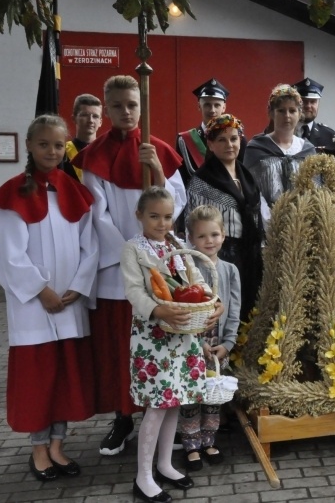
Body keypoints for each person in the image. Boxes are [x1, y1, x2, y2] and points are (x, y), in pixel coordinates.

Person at [72, 75, 220, 457]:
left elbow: (176, 202)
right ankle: (123, 419)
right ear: (107, 109)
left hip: (159, 264)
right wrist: (132, 254)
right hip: (118, 266)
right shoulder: (95, 157)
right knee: (121, 348)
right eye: (117, 105)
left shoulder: (158, 149)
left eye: (132, 105)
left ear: (142, 107)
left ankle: (159, 417)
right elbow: (97, 214)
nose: (125, 112)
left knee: (160, 344)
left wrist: (156, 169)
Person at [0, 115, 98, 481]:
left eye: (57, 144)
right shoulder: (14, 194)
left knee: (64, 378)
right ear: (30, 146)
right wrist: (41, 290)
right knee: (40, 380)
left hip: (69, 303)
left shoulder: (73, 189)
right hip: (34, 309)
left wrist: (79, 286)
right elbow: (8, 254)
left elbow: (90, 247)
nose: (51, 151)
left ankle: (57, 446)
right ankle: (38, 450)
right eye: (43, 144)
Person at [121, 186, 213, 501]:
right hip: (154, 336)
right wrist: (158, 309)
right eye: (154, 216)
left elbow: (196, 278)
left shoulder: (177, 243)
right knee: (157, 406)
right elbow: (134, 290)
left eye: (168, 216)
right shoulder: (134, 249)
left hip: (183, 334)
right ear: (140, 216)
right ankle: (143, 476)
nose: (162, 223)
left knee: (176, 400)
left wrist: (211, 300)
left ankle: (164, 464)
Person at [178, 205, 240, 472]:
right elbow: (183, 309)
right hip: (193, 346)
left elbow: (234, 309)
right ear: (191, 239)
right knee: (191, 398)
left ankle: (209, 441)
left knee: (213, 397)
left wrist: (228, 344)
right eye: (202, 236)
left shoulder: (230, 270)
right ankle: (191, 445)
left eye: (214, 234)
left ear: (224, 235)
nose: (209, 241)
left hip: (218, 349)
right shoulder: (186, 270)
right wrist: (197, 343)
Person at [186, 114, 263, 319]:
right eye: (221, 140)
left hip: (251, 256)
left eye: (234, 138)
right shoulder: (202, 181)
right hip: (221, 256)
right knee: (225, 310)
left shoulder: (247, 176)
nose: (229, 144)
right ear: (210, 144)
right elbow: (193, 225)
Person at [244, 84, 317, 227]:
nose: (287, 116)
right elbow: (250, 189)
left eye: (292, 110)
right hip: (265, 224)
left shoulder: (308, 150)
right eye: (281, 111)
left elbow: (315, 190)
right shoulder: (256, 148)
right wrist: (270, 219)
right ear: (271, 113)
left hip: (301, 224)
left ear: (299, 113)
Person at [176, 78, 245, 187]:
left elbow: (242, 175)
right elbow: (182, 179)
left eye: (217, 105)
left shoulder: (238, 139)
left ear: (224, 107)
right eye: (207, 105)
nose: (212, 110)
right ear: (199, 106)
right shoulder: (185, 140)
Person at [64, 94, 103, 182]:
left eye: (95, 116)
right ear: (74, 119)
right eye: (85, 115)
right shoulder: (63, 153)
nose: (90, 120)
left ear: (100, 122)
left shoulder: (107, 153)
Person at [293, 77, 335, 149]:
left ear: (318, 104)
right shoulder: (283, 133)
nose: (308, 106)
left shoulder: (329, 136)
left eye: (313, 102)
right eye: (303, 101)